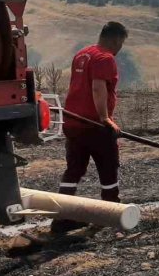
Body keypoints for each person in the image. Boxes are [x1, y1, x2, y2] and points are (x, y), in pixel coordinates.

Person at [55, 21, 128, 233]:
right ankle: (111, 212)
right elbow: (98, 87)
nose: (120, 48)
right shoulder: (105, 58)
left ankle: (62, 216)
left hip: (73, 122)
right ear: (115, 39)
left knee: (74, 170)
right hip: (94, 125)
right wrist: (105, 118)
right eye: (121, 42)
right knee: (108, 168)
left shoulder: (83, 54)